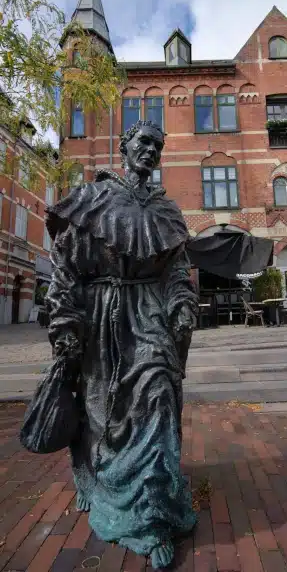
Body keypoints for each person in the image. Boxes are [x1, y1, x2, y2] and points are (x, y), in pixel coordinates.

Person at [44, 120, 198, 569]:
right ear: (124, 146)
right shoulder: (94, 199)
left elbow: (176, 269)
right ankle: (98, 481)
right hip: (102, 318)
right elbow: (65, 269)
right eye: (142, 142)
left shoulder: (166, 209)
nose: (149, 150)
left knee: (159, 394)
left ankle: (151, 517)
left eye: (157, 145)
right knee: (103, 413)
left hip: (149, 314)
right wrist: (66, 320)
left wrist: (182, 304)